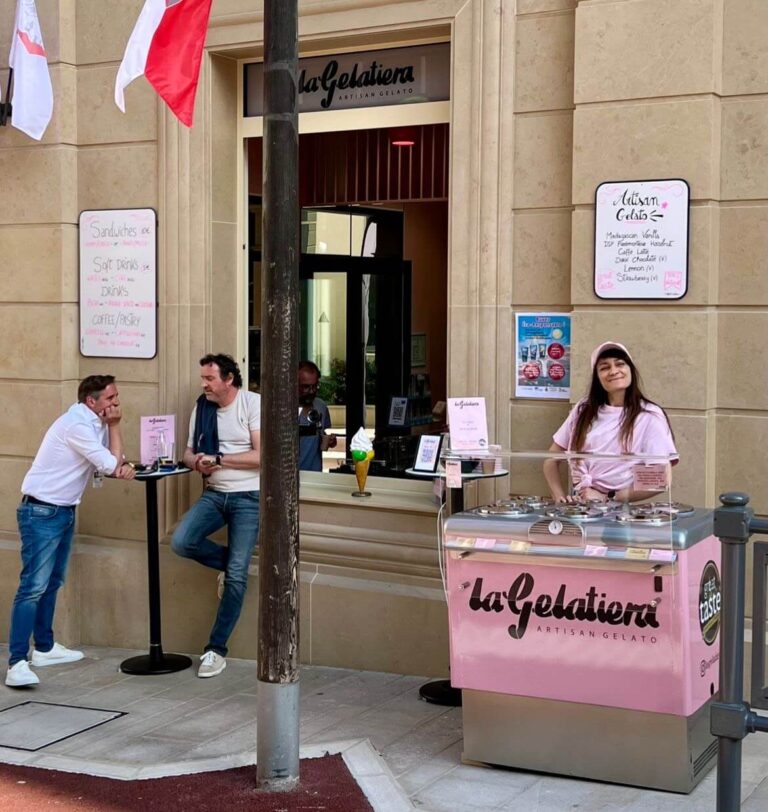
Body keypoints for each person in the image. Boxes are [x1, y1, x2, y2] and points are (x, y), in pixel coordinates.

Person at [6, 375, 136, 688]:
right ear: (91, 402)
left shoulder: (92, 423)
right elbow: (107, 463)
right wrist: (116, 428)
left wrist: (121, 463)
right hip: (42, 512)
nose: (116, 405)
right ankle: (16, 662)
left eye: (116, 398)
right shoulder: (77, 426)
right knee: (32, 587)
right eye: (110, 399)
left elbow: (111, 464)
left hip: (62, 510)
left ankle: (46, 648)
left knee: (53, 581)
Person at [171, 354, 261, 678]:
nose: (204, 384)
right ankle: (232, 564)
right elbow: (187, 452)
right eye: (203, 378)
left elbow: (261, 455)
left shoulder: (252, 404)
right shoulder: (203, 408)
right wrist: (198, 463)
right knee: (182, 541)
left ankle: (215, 650)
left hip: (249, 496)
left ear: (229, 380)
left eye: (209, 379)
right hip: (214, 494)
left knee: (237, 578)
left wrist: (220, 459)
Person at [543, 341, 677, 504]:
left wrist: (608, 497)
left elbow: (660, 478)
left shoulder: (649, 415)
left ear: (631, 370)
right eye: (604, 367)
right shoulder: (583, 409)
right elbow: (551, 458)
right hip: (580, 509)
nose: (614, 371)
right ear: (597, 377)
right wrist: (559, 498)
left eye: (620, 364)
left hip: (621, 514)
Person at [298, 360, 336, 472]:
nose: (311, 391)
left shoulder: (321, 406)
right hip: (289, 477)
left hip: (315, 474)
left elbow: (320, 435)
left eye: (315, 386)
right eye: (305, 387)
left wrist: (329, 441)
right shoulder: (283, 409)